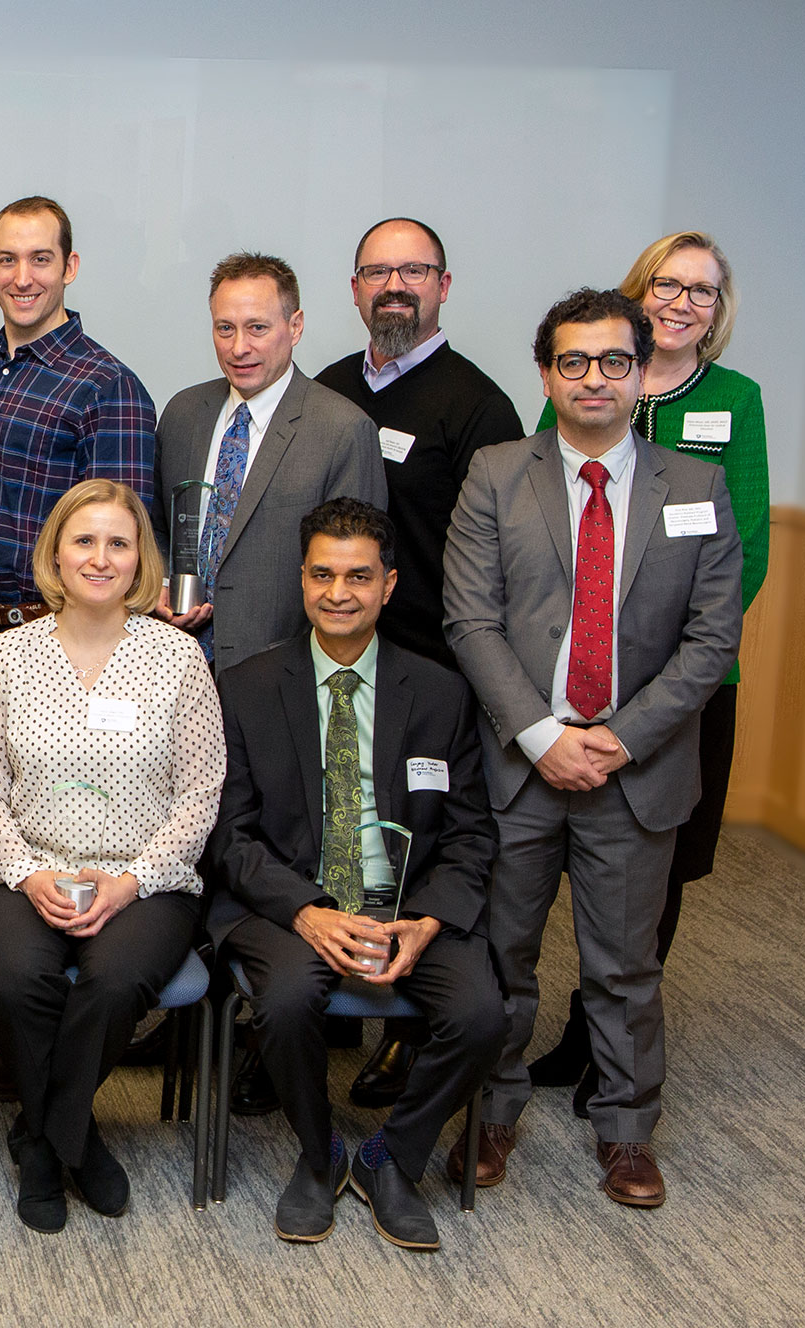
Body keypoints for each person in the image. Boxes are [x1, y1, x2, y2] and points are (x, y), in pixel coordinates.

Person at [442, 288, 742, 1208]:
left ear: (641, 371)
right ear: (547, 375)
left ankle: (625, 1129)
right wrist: (542, 737)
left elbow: (710, 642)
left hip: (634, 769)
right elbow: (471, 618)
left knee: (623, 964)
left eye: (614, 360)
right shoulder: (496, 473)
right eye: (573, 362)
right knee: (502, 953)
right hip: (520, 764)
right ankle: (490, 1112)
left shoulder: (694, 488)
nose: (594, 378)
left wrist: (614, 740)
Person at [207, 498, 504, 1251]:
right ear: (301, 580)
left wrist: (427, 919)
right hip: (288, 902)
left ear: (390, 585)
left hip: (407, 901)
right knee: (284, 998)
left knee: (480, 1015)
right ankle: (318, 1153)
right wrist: (307, 911)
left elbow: (472, 834)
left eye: (359, 577)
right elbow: (228, 836)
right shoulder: (244, 687)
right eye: (322, 574)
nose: (339, 592)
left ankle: (390, 1157)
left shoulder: (439, 693)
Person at [526, 233, 769, 1112]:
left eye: (704, 291)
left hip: (678, 690)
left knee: (649, 874)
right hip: (561, 695)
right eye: (668, 283)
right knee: (546, 874)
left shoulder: (734, 400)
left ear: (719, 309)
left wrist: (655, 690)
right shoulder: (578, 379)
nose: (683, 302)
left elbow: (748, 553)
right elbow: (540, 539)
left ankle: (608, 1039)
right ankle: (570, 1034)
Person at [0, 479, 223, 1233]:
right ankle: (80, 1140)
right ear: (56, 552)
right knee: (10, 982)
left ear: (141, 558)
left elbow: (201, 791)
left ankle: (44, 1143)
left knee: (111, 986)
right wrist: (30, 871)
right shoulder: (8, 655)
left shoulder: (177, 657)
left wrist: (131, 882)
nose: (100, 558)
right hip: (30, 868)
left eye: (118, 542)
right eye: (84, 540)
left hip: (148, 879)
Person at [303, 218, 523, 1115]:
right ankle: (316, 1010)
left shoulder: (478, 405)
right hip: (332, 662)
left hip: (431, 673)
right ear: (354, 288)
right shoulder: (327, 389)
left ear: (442, 284)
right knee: (328, 828)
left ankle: (409, 1029)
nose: (395, 285)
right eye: (377, 271)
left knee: (411, 843)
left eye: (414, 270)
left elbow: (498, 559)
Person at [0, 195, 158, 787]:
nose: (23, 278)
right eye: (8, 260)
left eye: (41, 260)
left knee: (50, 822)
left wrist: (96, 665)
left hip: (55, 651)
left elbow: (118, 551)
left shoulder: (109, 387)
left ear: (70, 267)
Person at [156, 253, 387, 670]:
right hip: (173, 664)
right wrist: (157, 583)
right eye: (225, 328)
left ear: (295, 326)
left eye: (257, 328)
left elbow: (354, 576)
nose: (239, 347)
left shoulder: (343, 430)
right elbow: (154, 523)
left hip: (281, 675)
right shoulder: (183, 414)